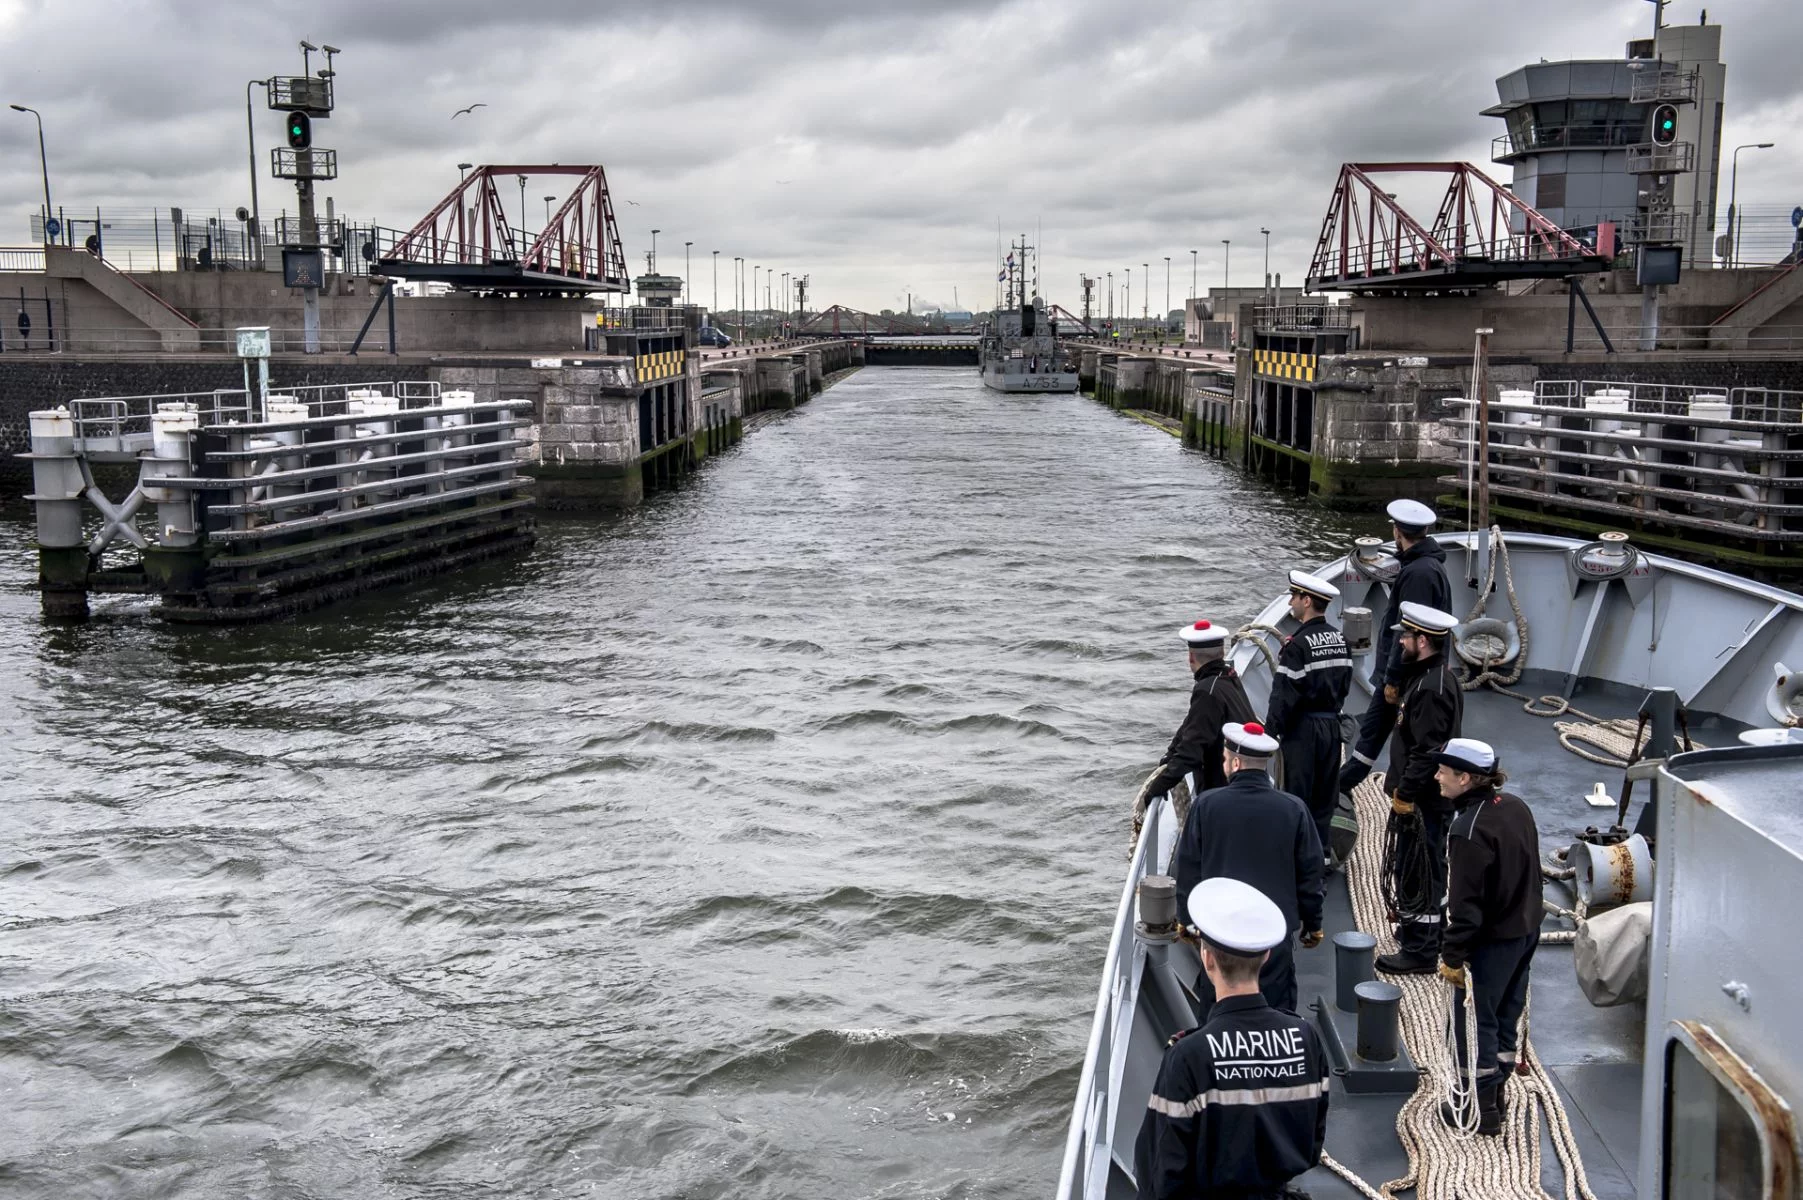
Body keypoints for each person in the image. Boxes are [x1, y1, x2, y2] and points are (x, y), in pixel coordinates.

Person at [1135, 877, 1330, 1200]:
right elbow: (1312, 1145)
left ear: (1208, 959)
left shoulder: (1189, 1055)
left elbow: (1159, 1174)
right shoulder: (1305, 1038)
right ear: (1266, 956)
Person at [1174, 722, 1325, 1015]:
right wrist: (1313, 922)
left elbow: (1188, 868)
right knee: (1277, 1011)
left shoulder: (1206, 805)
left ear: (1236, 763)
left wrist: (1186, 919)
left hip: (1220, 935)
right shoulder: (1294, 809)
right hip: (1273, 938)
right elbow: (1310, 872)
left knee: (1217, 1012)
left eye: (1225, 759)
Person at [1432, 738, 1541, 1136]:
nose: (1436, 776)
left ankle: (1479, 1109)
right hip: (1525, 932)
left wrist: (1452, 956)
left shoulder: (1467, 830)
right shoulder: (1514, 806)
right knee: (1506, 1014)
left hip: (1490, 943)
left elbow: (1466, 907)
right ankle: (1497, 1096)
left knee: (1475, 1022)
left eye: (1443, 771)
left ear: (1465, 778)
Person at [1374, 603, 1464, 976]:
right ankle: (1429, 933)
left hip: (1423, 800)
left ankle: (1420, 951)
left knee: (1417, 872)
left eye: (1406, 637)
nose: (1401, 642)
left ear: (1422, 641)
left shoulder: (1430, 690)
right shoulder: (1433, 677)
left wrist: (1405, 794)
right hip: (1428, 798)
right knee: (1429, 867)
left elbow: (1427, 751)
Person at [1339, 500, 1452, 797]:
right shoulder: (1428, 566)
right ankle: (1346, 781)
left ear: (1397, 531)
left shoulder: (1418, 574)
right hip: (1414, 671)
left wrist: (1392, 679)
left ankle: (1344, 785)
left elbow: (1409, 632)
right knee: (1378, 731)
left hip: (1406, 673)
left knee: (1380, 730)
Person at [1264, 569, 1352, 859]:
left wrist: (1269, 734)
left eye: (1294, 596)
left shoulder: (1298, 646)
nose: (1290, 602)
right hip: (1331, 728)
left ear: (1307, 600)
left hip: (1303, 731)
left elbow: (1284, 696)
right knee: (1325, 796)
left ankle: (1297, 858)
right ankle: (1322, 856)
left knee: (1297, 796)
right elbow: (1345, 686)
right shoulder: (1341, 640)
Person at [1135, 620, 1257, 823]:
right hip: (1243, 782)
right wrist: (1170, 755)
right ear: (1222, 653)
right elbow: (1192, 724)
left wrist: (1158, 787)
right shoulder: (1228, 677)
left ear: (1191, 657)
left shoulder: (1207, 691)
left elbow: (1191, 751)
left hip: (1222, 792)